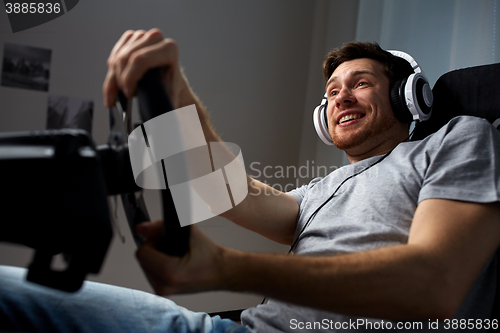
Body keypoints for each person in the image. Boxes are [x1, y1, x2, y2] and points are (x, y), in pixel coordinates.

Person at [1, 28, 500, 332]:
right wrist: (178, 93)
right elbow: (225, 188)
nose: (341, 98)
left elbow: (436, 284)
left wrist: (227, 269)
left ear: (408, 97)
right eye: (332, 91)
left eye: (361, 84)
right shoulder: (322, 190)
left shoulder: (457, 139)